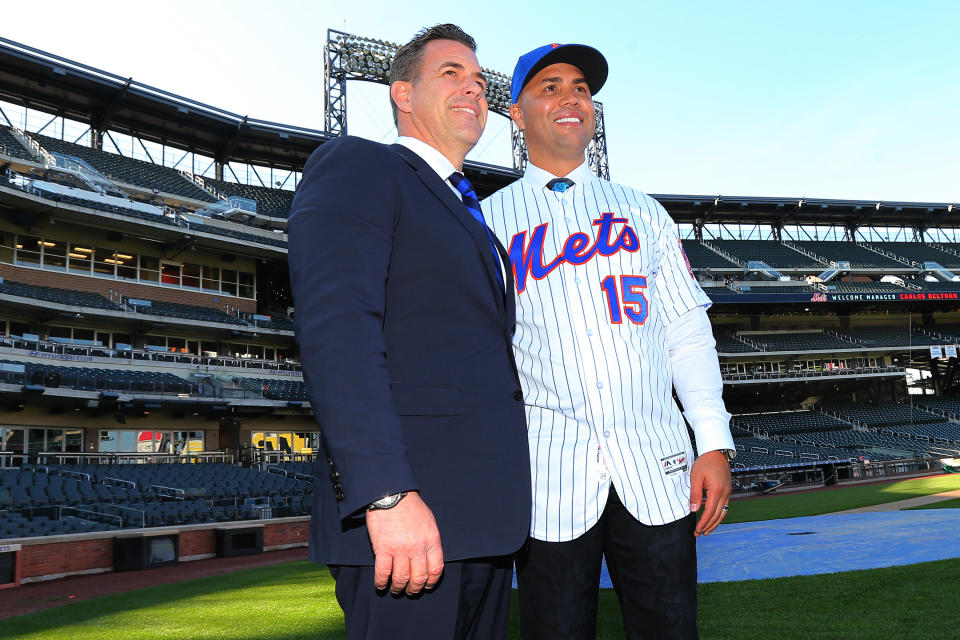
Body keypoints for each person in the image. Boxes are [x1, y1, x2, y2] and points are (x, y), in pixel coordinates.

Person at [481, 43, 737, 639]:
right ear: (516, 113)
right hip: (547, 475)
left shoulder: (643, 212)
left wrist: (714, 441)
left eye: (580, 88)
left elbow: (687, 333)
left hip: (656, 465)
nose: (571, 96)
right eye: (550, 86)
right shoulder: (487, 222)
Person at [287, 24, 530, 640]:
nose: (473, 88)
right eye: (450, 73)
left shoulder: (471, 214)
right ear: (401, 92)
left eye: (478, 80)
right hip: (404, 521)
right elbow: (339, 334)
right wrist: (385, 494)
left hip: (481, 525)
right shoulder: (361, 165)